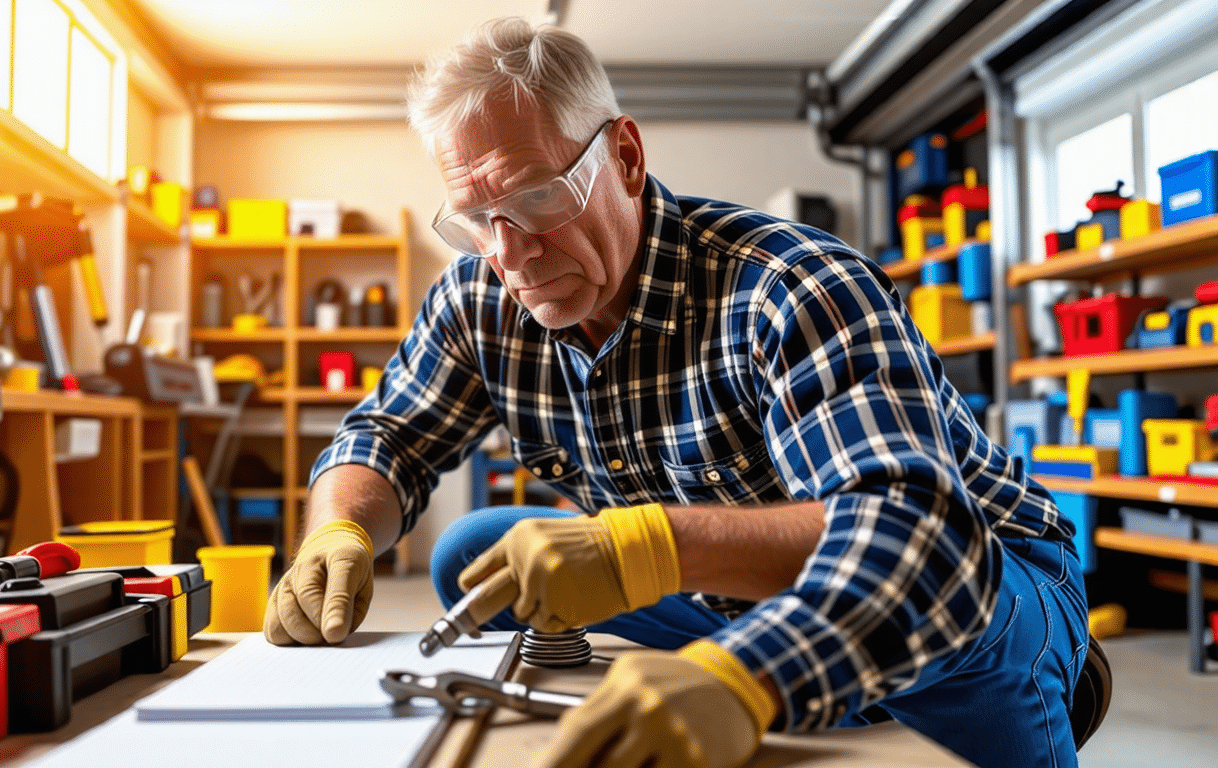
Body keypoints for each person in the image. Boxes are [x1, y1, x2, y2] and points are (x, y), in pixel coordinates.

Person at [264, 16, 1093, 768]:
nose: (510, 255)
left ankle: (943, 683)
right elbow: (388, 435)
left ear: (625, 158)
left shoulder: (791, 286)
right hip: (730, 595)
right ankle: (776, 672)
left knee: (935, 592)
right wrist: (337, 529)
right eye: (478, 219)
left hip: (979, 585)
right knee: (478, 554)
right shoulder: (480, 296)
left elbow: (920, 538)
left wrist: (732, 663)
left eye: (537, 197)